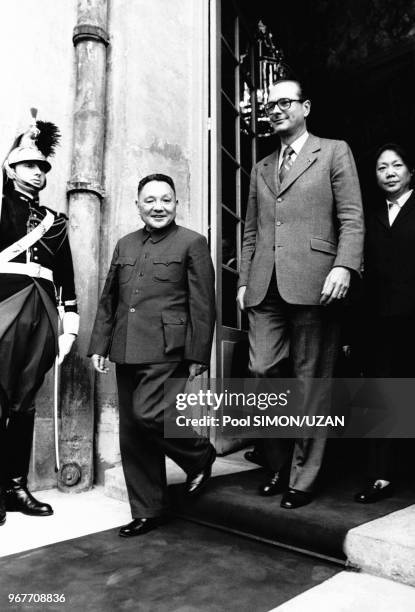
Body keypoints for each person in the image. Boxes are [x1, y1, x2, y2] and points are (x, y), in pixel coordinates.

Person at [237, 78, 364, 509]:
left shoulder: (334, 151)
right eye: (269, 105)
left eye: (284, 102)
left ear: (305, 107)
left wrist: (344, 265)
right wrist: (242, 280)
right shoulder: (260, 166)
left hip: (317, 284)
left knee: (311, 384)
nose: (275, 110)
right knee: (261, 370)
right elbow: (251, 230)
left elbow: (351, 217)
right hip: (264, 285)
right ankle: (277, 463)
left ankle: (302, 478)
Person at [89, 173, 216, 537]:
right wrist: (100, 344)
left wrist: (198, 354)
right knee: (132, 432)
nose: (158, 206)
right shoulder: (125, 244)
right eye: (150, 200)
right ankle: (149, 509)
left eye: (165, 199)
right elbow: (109, 299)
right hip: (126, 346)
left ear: (176, 204)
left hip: (167, 347)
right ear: (138, 205)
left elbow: (203, 304)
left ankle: (198, 454)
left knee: (150, 413)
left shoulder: (192, 243)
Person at [0, 116, 79, 526]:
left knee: (24, 401)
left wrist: (70, 326)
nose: (38, 171)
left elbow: (65, 276)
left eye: (42, 166)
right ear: (11, 168)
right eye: (29, 164)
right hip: (4, 305)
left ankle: (16, 485)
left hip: (42, 310)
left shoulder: (56, 221)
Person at [355, 143, 415, 503]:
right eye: (381, 167)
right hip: (381, 322)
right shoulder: (371, 216)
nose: (389, 172)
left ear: (410, 171)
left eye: (397, 165)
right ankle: (381, 475)